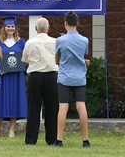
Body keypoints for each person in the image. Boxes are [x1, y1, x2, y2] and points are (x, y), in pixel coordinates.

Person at [54, 11, 91, 148]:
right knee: (81, 106)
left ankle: (59, 140)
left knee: (63, 107)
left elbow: (57, 60)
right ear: (77, 23)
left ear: (65, 23)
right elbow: (82, 56)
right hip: (80, 77)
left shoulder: (60, 40)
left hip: (64, 77)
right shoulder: (84, 40)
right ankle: (85, 140)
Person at [21, 17, 58, 145]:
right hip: (51, 76)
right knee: (52, 109)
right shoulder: (55, 42)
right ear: (48, 28)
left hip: (35, 76)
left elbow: (25, 60)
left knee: (33, 108)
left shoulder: (30, 43)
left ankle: (31, 140)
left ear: (36, 29)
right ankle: (52, 139)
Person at [0, 17, 27, 138]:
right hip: (3, 76)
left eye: (12, 26)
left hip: (17, 76)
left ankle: (11, 130)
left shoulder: (21, 42)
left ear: (15, 28)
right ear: (4, 28)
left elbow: (26, 58)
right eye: (8, 26)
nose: (10, 28)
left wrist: (23, 65)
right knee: (1, 100)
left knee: (14, 100)